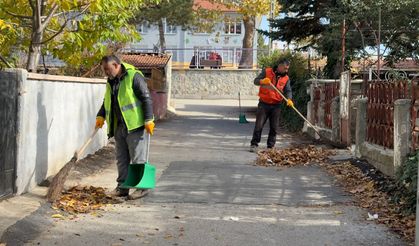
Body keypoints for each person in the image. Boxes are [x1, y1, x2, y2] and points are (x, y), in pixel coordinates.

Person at [95, 55, 155, 197]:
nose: (106, 73)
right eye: (104, 70)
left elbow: (146, 99)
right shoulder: (111, 81)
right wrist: (100, 115)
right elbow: (107, 100)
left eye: (108, 69)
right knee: (121, 159)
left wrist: (148, 119)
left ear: (116, 65)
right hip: (119, 126)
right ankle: (122, 187)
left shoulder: (134, 76)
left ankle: (143, 187)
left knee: (138, 159)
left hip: (136, 125)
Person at [250, 60, 294, 152]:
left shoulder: (286, 78)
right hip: (264, 104)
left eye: (287, 69)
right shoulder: (267, 72)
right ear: (280, 66)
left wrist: (289, 99)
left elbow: (288, 90)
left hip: (276, 105)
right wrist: (262, 81)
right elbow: (256, 81)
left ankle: (270, 146)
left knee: (274, 127)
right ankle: (254, 144)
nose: (286, 70)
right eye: (285, 68)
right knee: (259, 125)